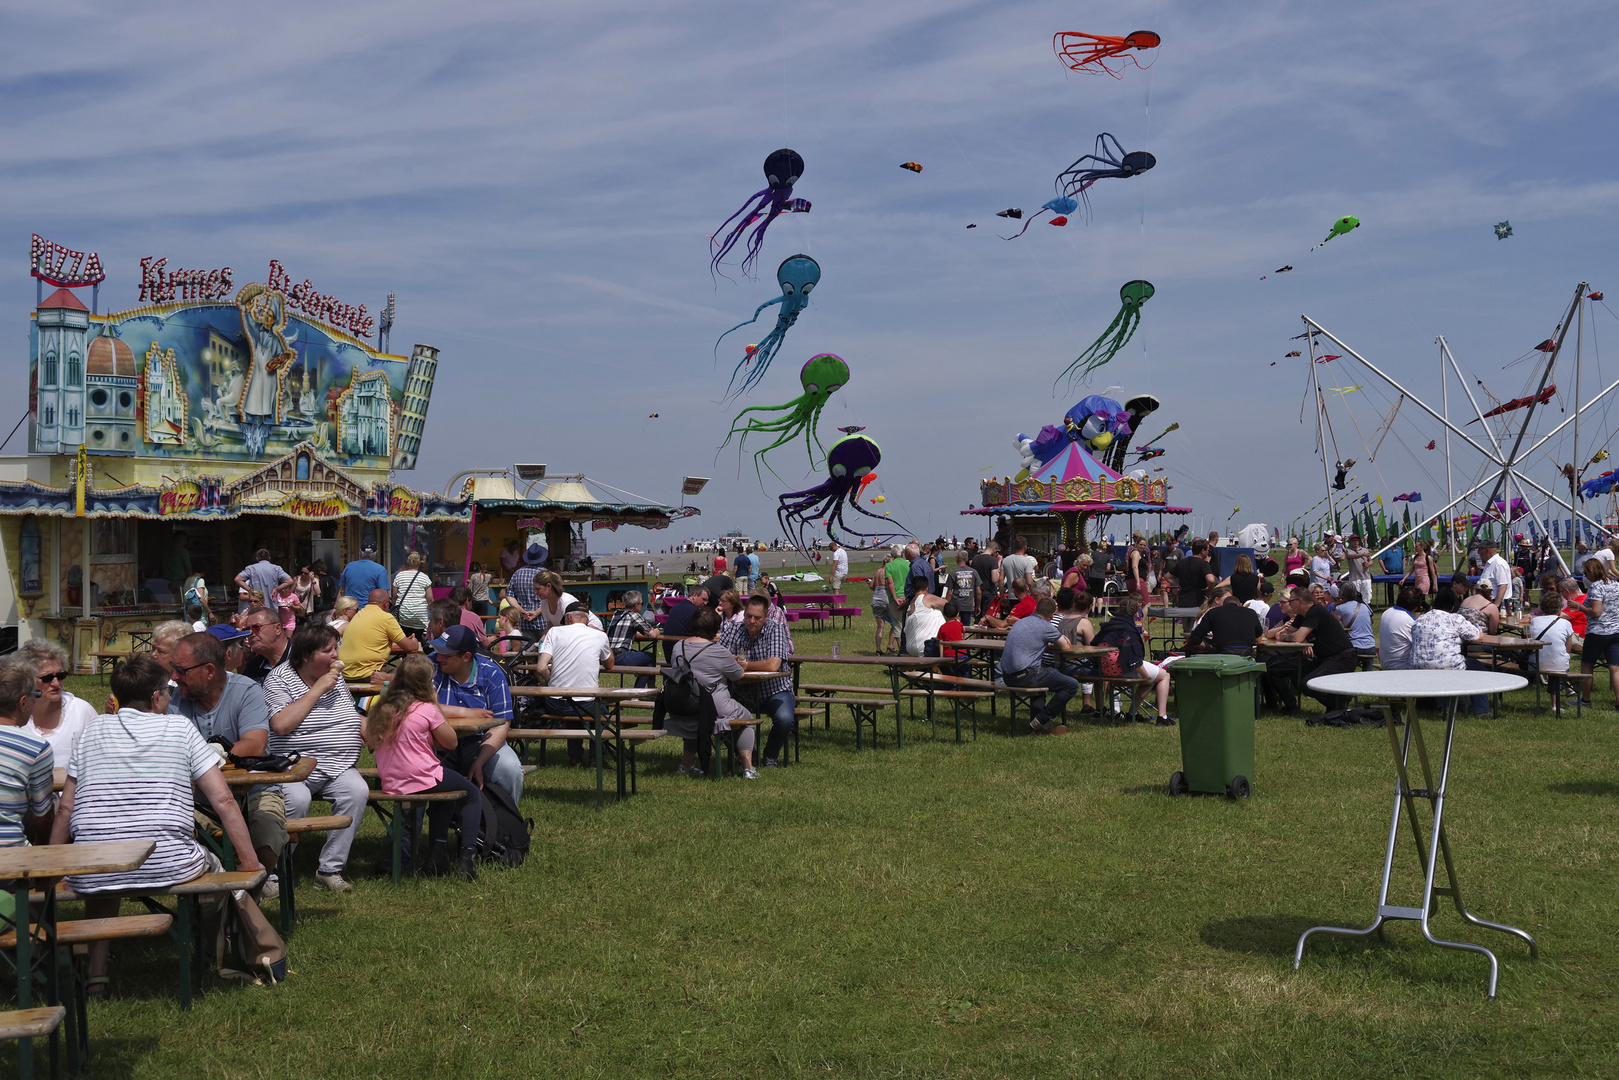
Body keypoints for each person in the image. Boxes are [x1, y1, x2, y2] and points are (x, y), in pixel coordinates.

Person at [52, 655, 264, 992]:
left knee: (103, 859)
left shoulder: (93, 730)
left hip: (93, 867)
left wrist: (55, 864)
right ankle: (212, 952)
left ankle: (96, 973)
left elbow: (65, 808)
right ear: (155, 697)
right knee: (217, 869)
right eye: (169, 690)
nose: (172, 694)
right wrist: (250, 862)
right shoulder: (179, 728)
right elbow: (224, 800)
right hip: (168, 864)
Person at [168, 631, 287, 893]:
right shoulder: (177, 696)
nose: (174, 677)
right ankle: (217, 904)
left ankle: (242, 905)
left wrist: (209, 753)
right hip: (199, 797)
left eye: (180, 670)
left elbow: (254, 744)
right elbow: (172, 750)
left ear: (209, 670)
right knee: (175, 838)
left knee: (266, 840)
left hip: (256, 790)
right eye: (172, 669)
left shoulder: (246, 690)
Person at [264, 623, 366, 893]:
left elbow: (345, 714)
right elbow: (281, 725)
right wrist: (317, 689)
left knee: (357, 791)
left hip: (337, 764)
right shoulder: (279, 679)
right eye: (327, 650)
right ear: (306, 656)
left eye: (336, 648)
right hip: (292, 765)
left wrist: (367, 727)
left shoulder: (334, 676)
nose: (336, 655)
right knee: (297, 799)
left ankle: (329, 870)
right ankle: (273, 871)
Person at [362, 655, 480, 880]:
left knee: (447, 794)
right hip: (422, 777)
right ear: (427, 682)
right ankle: (467, 858)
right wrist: (435, 704)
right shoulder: (426, 708)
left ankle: (437, 855)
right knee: (471, 793)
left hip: (392, 781)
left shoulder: (381, 708)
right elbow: (451, 742)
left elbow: (371, 746)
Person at [429, 624, 524, 810]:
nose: (438, 657)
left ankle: (505, 829)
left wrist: (479, 762)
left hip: (481, 744)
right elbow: (418, 706)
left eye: (446, 655)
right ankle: (408, 836)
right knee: (412, 769)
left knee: (510, 769)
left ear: (466, 657)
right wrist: (464, 712)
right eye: (438, 651)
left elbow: (501, 723)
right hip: (436, 743)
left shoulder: (492, 673)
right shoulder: (430, 665)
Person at [667, 607, 759, 778]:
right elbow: (737, 675)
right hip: (715, 705)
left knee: (695, 721)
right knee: (747, 717)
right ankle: (748, 767)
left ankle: (685, 765)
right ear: (715, 628)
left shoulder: (678, 646)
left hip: (685, 703)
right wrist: (740, 665)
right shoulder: (719, 651)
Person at [719, 596, 797, 768]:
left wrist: (743, 666)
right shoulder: (733, 629)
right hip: (740, 692)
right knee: (716, 714)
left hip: (774, 690)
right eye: (748, 616)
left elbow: (772, 665)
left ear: (766, 617)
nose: (751, 621)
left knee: (784, 719)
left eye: (757, 617)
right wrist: (729, 660)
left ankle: (770, 756)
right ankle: (745, 752)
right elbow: (717, 657)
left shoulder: (775, 629)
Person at [535, 603, 615, 767]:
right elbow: (609, 665)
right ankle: (596, 756)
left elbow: (541, 667)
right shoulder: (598, 636)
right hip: (584, 703)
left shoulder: (555, 632)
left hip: (555, 702)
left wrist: (551, 681)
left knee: (574, 708)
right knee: (602, 714)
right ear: (586, 619)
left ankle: (575, 757)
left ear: (569, 617)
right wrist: (604, 640)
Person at [1264, 584, 1358, 712]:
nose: (1290, 604)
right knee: (1285, 672)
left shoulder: (1316, 611)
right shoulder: (1300, 616)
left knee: (1307, 683)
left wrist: (1290, 636)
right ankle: (1292, 707)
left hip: (1342, 657)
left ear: (1300, 601)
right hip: (1324, 658)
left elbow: (1296, 637)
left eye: (1291, 601)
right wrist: (1290, 635)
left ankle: (1339, 702)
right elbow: (1281, 635)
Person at [1000, 596, 1077, 733]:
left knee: (1040, 685)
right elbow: (1066, 648)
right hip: (1026, 675)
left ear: (1036, 608)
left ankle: (1038, 724)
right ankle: (1042, 719)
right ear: (1052, 615)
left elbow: (1034, 640)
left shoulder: (1020, 622)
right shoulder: (1046, 626)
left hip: (1007, 676)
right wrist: (1060, 639)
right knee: (1071, 685)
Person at [0, 657, 54, 847]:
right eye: (35, 694)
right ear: (23, 703)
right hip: (9, 859)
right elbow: (43, 817)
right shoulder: (35, 748)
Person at [1094, 596, 1174, 724]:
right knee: (1164, 675)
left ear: (1119, 610)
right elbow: (1133, 659)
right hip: (1120, 669)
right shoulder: (1128, 630)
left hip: (1104, 669)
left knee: (1151, 677)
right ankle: (1162, 716)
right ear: (1136, 613)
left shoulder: (1108, 626)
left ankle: (1133, 714)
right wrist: (1146, 675)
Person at [1409, 588, 1488, 715]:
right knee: (1477, 666)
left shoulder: (1419, 619)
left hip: (1418, 666)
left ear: (1433, 604)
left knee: (1442, 662)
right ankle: (1481, 710)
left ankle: (1443, 705)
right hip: (1446, 666)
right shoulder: (1455, 619)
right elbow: (1475, 635)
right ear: (1452, 607)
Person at [17, 639, 96, 764]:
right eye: (47, 678)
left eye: (60, 676)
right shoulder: (11, 713)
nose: (56, 683)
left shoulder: (81, 711)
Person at [338, 587, 422, 681]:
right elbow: (409, 647)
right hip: (368, 673)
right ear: (385, 603)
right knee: (413, 677)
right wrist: (414, 641)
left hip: (344, 673)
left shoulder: (358, 615)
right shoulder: (386, 618)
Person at [1572, 561, 1619, 708]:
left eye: (1586, 573)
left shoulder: (1596, 587)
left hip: (1598, 632)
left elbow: (1596, 612)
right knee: (1615, 668)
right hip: (1616, 630)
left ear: (1593, 572)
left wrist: (1578, 606)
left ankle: (1585, 700)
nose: (1585, 576)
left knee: (1587, 665)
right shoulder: (1616, 584)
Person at [606, 590, 661, 688]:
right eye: (642, 603)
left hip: (608, 655)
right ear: (636, 605)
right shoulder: (634, 615)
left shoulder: (617, 613)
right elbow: (652, 634)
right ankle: (644, 689)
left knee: (646, 662)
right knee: (651, 657)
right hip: (621, 656)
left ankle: (642, 691)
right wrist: (657, 630)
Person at [1186, 588, 1264, 656]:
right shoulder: (1251, 613)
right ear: (1239, 605)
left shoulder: (1213, 613)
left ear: (1224, 604)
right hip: (1246, 655)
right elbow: (1258, 635)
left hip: (1222, 655)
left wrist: (1210, 648)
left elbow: (1196, 637)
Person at [1528, 592, 1581, 681]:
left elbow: (1530, 641)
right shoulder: (1566, 623)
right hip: (1560, 665)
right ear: (1560, 608)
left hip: (1536, 664)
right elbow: (1568, 649)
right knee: (1559, 662)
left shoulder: (1535, 621)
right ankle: (1559, 689)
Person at [1379, 585, 1424, 671]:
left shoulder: (1386, 613)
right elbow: (1420, 646)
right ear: (1416, 607)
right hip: (1402, 667)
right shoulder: (1410, 622)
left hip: (1385, 663)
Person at [235, 548, 291, 616]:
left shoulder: (251, 568)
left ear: (257, 558)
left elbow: (237, 579)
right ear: (269, 558)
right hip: (272, 610)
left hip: (257, 611)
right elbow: (289, 581)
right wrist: (276, 589)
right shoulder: (277, 568)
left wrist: (250, 590)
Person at [391, 552, 432, 641]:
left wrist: (395, 606)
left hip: (403, 612)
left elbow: (394, 596)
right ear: (419, 563)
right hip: (420, 613)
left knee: (404, 635)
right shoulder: (424, 577)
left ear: (408, 563)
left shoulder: (399, 576)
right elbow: (430, 598)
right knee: (420, 638)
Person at [338, 540, 391, 608]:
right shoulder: (380, 569)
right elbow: (384, 595)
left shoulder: (349, 567)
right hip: (369, 611)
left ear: (360, 552)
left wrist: (336, 608)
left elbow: (341, 591)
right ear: (376, 552)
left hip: (350, 610)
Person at [1333, 582, 1377, 664]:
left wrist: (1334, 608)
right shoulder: (1364, 606)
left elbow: (1332, 624)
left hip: (1355, 646)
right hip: (1371, 646)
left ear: (1341, 594)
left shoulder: (1340, 609)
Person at [902, 590, 949, 657]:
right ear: (927, 588)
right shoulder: (926, 598)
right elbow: (948, 604)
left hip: (911, 648)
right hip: (927, 647)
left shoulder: (911, 604)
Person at [1176, 538, 1216, 610]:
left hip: (1183, 600)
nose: (1208, 552)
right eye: (1208, 550)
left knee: (1185, 620)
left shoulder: (1182, 562)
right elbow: (1211, 580)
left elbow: (1168, 576)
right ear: (1203, 551)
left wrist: (1178, 584)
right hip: (1198, 600)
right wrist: (1209, 589)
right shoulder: (1203, 564)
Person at [970, 541, 1002, 621]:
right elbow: (994, 579)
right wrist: (999, 563)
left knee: (977, 616)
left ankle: (977, 632)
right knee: (987, 618)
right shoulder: (992, 561)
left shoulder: (975, 559)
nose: (997, 553)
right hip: (989, 593)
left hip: (977, 592)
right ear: (993, 549)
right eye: (997, 551)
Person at [947, 552, 981, 625]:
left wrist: (947, 605)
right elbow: (978, 592)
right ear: (967, 559)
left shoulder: (953, 573)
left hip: (955, 605)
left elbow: (949, 592)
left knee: (953, 625)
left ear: (957, 559)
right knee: (966, 628)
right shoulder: (974, 572)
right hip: (967, 604)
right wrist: (978, 605)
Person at [884, 544, 912, 632]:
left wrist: (895, 597)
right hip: (907, 596)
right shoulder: (909, 564)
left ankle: (900, 645)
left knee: (897, 625)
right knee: (908, 623)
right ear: (902, 553)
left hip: (894, 597)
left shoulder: (889, 566)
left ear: (892, 555)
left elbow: (890, 583)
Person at [1478, 541, 1514, 611]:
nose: (1478, 553)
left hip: (1498, 603)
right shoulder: (1489, 563)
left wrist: (1496, 606)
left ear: (1487, 550)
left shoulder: (1499, 564)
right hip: (1489, 602)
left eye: (1480, 550)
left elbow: (1503, 586)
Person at [870, 569, 896, 655]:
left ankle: (878, 649)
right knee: (895, 624)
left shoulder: (877, 571)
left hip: (876, 599)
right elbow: (889, 585)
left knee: (880, 627)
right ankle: (890, 646)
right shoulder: (887, 571)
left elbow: (871, 586)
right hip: (886, 599)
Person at [1126, 535, 1151, 604]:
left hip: (1130, 580)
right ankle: (1143, 615)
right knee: (1146, 603)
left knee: (1134, 603)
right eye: (1141, 544)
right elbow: (1134, 567)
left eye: (1144, 545)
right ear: (1136, 544)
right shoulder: (1136, 553)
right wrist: (1138, 582)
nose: (1142, 546)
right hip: (1137, 580)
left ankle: (1135, 614)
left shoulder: (1139, 553)